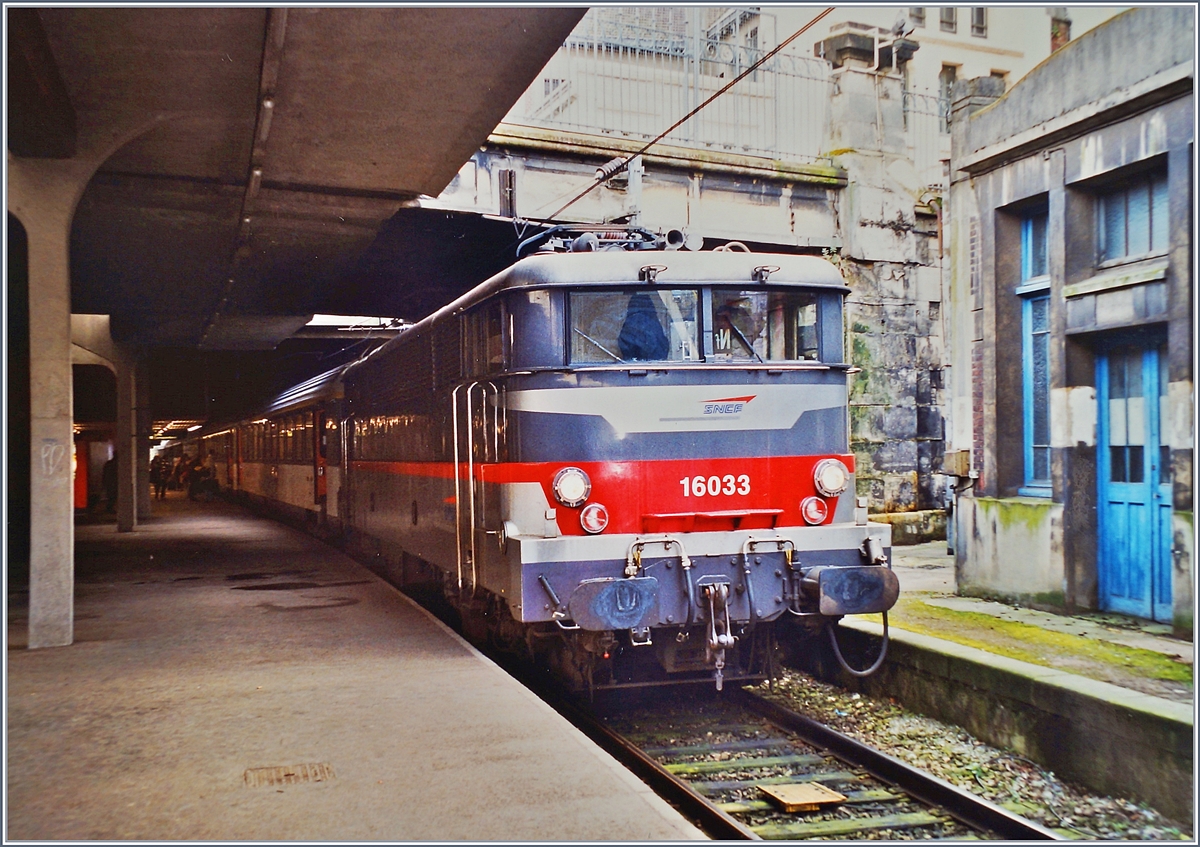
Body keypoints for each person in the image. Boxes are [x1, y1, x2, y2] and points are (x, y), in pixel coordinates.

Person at [617, 293, 670, 361]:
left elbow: (624, 345)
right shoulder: (653, 323)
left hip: (631, 365)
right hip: (655, 366)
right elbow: (662, 346)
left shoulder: (631, 321)